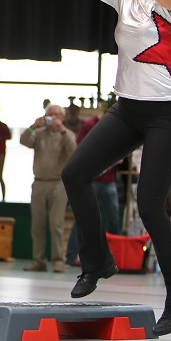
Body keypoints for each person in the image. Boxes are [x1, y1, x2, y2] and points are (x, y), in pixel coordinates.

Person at [62, 0, 171, 336]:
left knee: (150, 204)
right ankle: (98, 261)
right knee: (75, 173)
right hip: (129, 109)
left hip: (170, 115)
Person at [21, 104, 76, 273]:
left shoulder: (67, 134)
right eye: (49, 114)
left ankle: (59, 260)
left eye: (55, 114)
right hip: (39, 182)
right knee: (37, 225)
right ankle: (39, 260)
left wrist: (62, 130)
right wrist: (33, 126)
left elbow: (74, 151)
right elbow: (23, 141)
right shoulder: (39, 134)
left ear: (62, 117)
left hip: (58, 183)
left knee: (56, 224)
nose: (52, 117)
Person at [65, 101, 121, 265]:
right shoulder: (90, 125)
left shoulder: (118, 126)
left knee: (113, 219)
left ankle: (113, 256)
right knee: (82, 217)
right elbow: (80, 147)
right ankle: (71, 255)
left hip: (109, 180)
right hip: (91, 180)